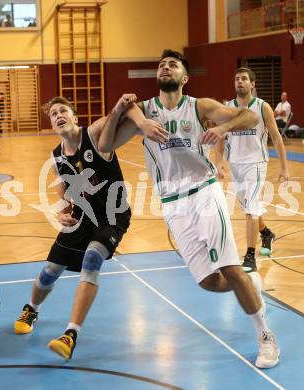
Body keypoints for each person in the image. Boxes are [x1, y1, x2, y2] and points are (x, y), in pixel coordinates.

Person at [98, 49, 280, 369]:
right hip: (173, 204)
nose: (166, 67)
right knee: (209, 282)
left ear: (184, 77)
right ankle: (250, 287)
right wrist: (121, 111)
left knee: (230, 268)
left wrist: (223, 129)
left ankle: (265, 336)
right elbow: (105, 146)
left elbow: (251, 117)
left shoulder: (200, 106)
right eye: (162, 64)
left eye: (173, 64)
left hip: (205, 193)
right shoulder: (143, 112)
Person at [14, 95, 162, 360]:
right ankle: (32, 308)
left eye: (63, 111)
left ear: (75, 117)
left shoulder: (93, 133)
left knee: (92, 259)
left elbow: (125, 109)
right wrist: (62, 209)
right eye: (53, 114)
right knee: (50, 271)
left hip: (113, 215)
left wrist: (139, 119)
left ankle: (70, 334)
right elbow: (61, 182)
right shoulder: (56, 154)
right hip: (83, 217)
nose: (58, 115)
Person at [216, 68, 289, 271]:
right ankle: (266, 233)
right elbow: (221, 137)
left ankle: (250, 256)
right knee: (249, 205)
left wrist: (284, 167)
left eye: (244, 79)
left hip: (257, 163)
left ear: (252, 84)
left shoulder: (262, 107)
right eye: (237, 78)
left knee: (250, 208)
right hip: (236, 163)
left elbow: (275, 136)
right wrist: (219, 163)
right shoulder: (227, 108)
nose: (240, 82)